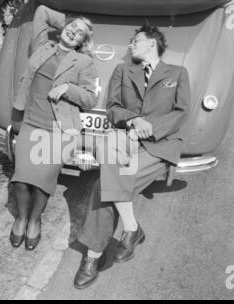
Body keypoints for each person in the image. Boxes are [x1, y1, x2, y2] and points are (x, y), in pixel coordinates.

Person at [74, 23, 191, 289]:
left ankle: (92, 258)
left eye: (136, 40)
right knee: (112, 181)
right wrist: (134, 120)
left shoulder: (178, 73)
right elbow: (112, 108)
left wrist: (152, 129)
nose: (131, 45)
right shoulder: (123, 70)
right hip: (125, 137)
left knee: (105, 186)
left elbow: (182, 111)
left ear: (153, 42)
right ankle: (130, 228)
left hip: (160, 144)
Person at [10, 5, 98, 250]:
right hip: (30, 122)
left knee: (42, 183)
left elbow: (91, 99)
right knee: (20, 180)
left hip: (59, 129)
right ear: (63, 27)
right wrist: (70, 21)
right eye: (71, 27)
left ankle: (35, 220)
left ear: (83, 42)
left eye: (80, 33)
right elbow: (41, 12)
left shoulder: (84, 62)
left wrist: (68, 89)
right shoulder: (42, 45)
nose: (73, 32)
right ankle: (20, 217)